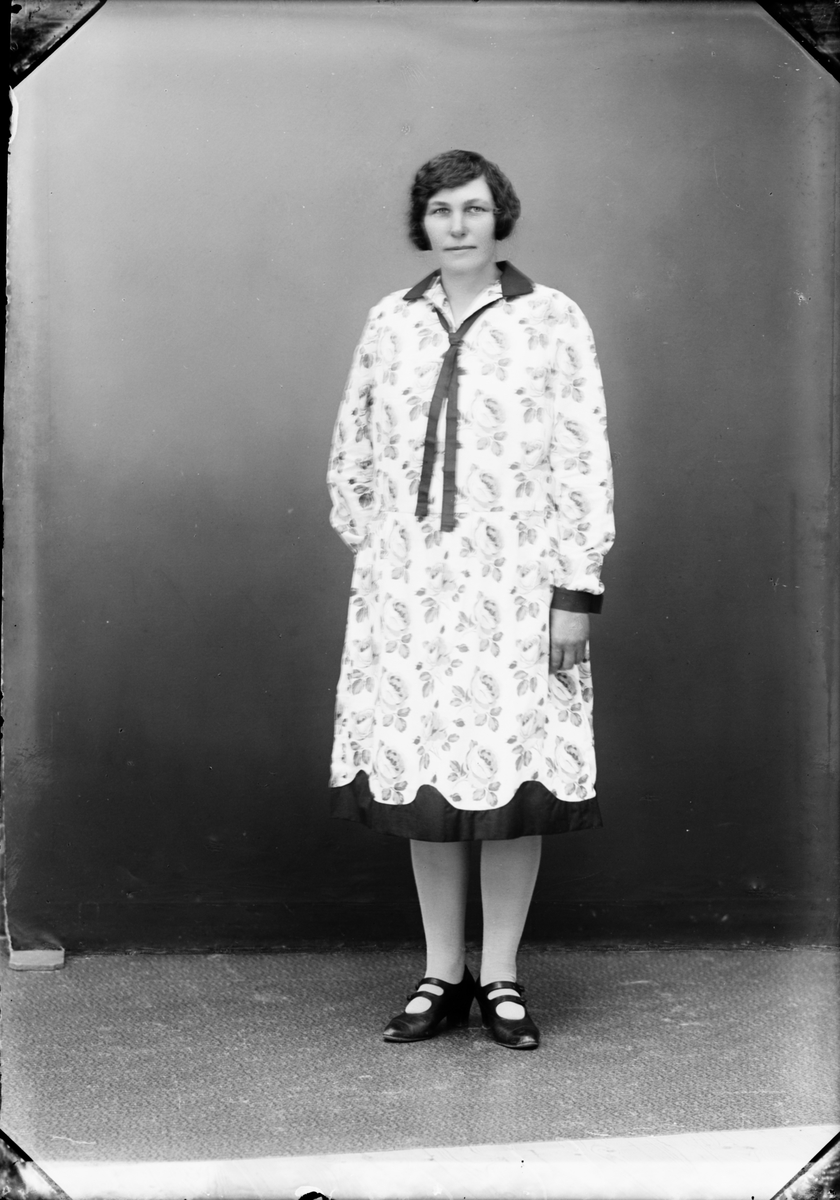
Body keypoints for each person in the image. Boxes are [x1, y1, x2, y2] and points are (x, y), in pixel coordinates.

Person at [327, 150, 614, 1050]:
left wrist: (574, 591)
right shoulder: (391, 322)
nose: (458, 225)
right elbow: (353, 451)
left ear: (500, 218)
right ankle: (441, 971)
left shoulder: (552, 319)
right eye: (442, 210)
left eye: (475, 209)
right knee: (429, 785)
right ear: (423, 223)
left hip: (518, 589)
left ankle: (502, 977)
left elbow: (583, 460)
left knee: (511, 784)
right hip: (411, 599)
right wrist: (385, 554)